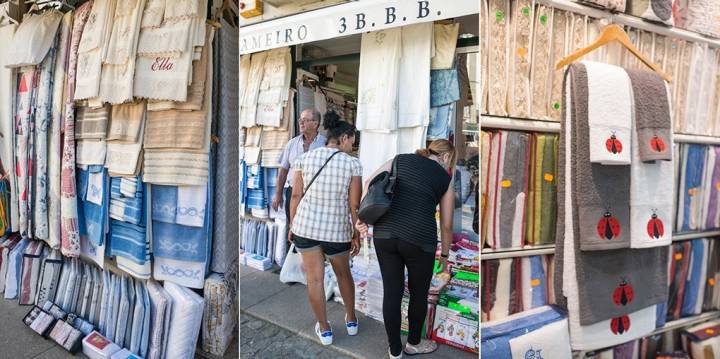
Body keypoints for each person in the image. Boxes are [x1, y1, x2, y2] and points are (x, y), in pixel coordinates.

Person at [356, 140, 456, 358]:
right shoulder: (445, 179)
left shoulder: (398, 159)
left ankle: (394, 350)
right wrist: (446, 256)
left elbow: (369, 183)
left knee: (392, 292)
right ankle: (413, 343)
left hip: (385, 233)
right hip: (420, 239)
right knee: (418, 294)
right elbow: (447, 225)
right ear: (446, 157)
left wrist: (363, 217)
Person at [288, 112, 362, 346]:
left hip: (305, 227)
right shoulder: (352, 164)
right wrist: (356, 232)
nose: (353, 145)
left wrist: (292, 223)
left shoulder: (306, 157)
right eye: (352, 140)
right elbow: (354, 204)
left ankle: (325, 329)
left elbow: (296, 195)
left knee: (315, 280)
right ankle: (351, 320)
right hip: (336, 231)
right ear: (343, 138)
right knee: (343, 275)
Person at [272, 108, 327, 222]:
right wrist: (278, 194)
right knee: (293, 225)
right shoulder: (292, 143)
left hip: (316, 195)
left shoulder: (325, 144)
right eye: (300, 120)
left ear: (316, 124)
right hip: (292, 192)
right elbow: (283, 172)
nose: (301, 123)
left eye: (305, 120)